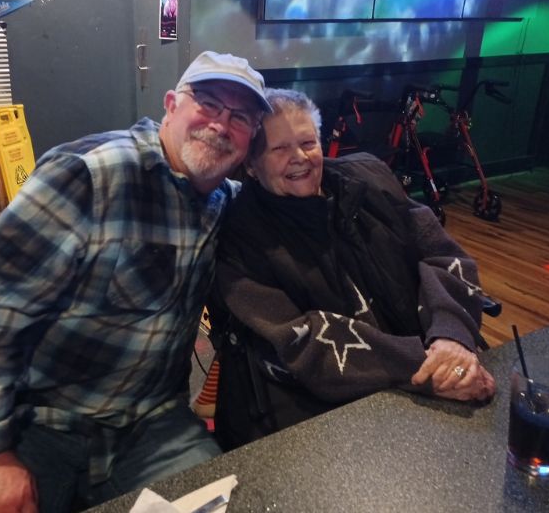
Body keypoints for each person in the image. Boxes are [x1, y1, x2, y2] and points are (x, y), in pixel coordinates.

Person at [0, 51, 272, 512]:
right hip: (36, 420)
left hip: (150, 423)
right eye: (207, 104)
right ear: (171, 104)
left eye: (240, 117)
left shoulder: (224, 202)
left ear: (249, 141)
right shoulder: (90, 174)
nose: (220, 124)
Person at [208, 88, 496, 450]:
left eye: (308, 142)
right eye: (279, 149)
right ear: (251, 164)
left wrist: (451, 338)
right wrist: (426, 368)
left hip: (440, 366)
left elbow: (440, 254)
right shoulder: (239, 233)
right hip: (330, 412)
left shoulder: (370, 178)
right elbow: (301, 340)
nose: (299, 158)